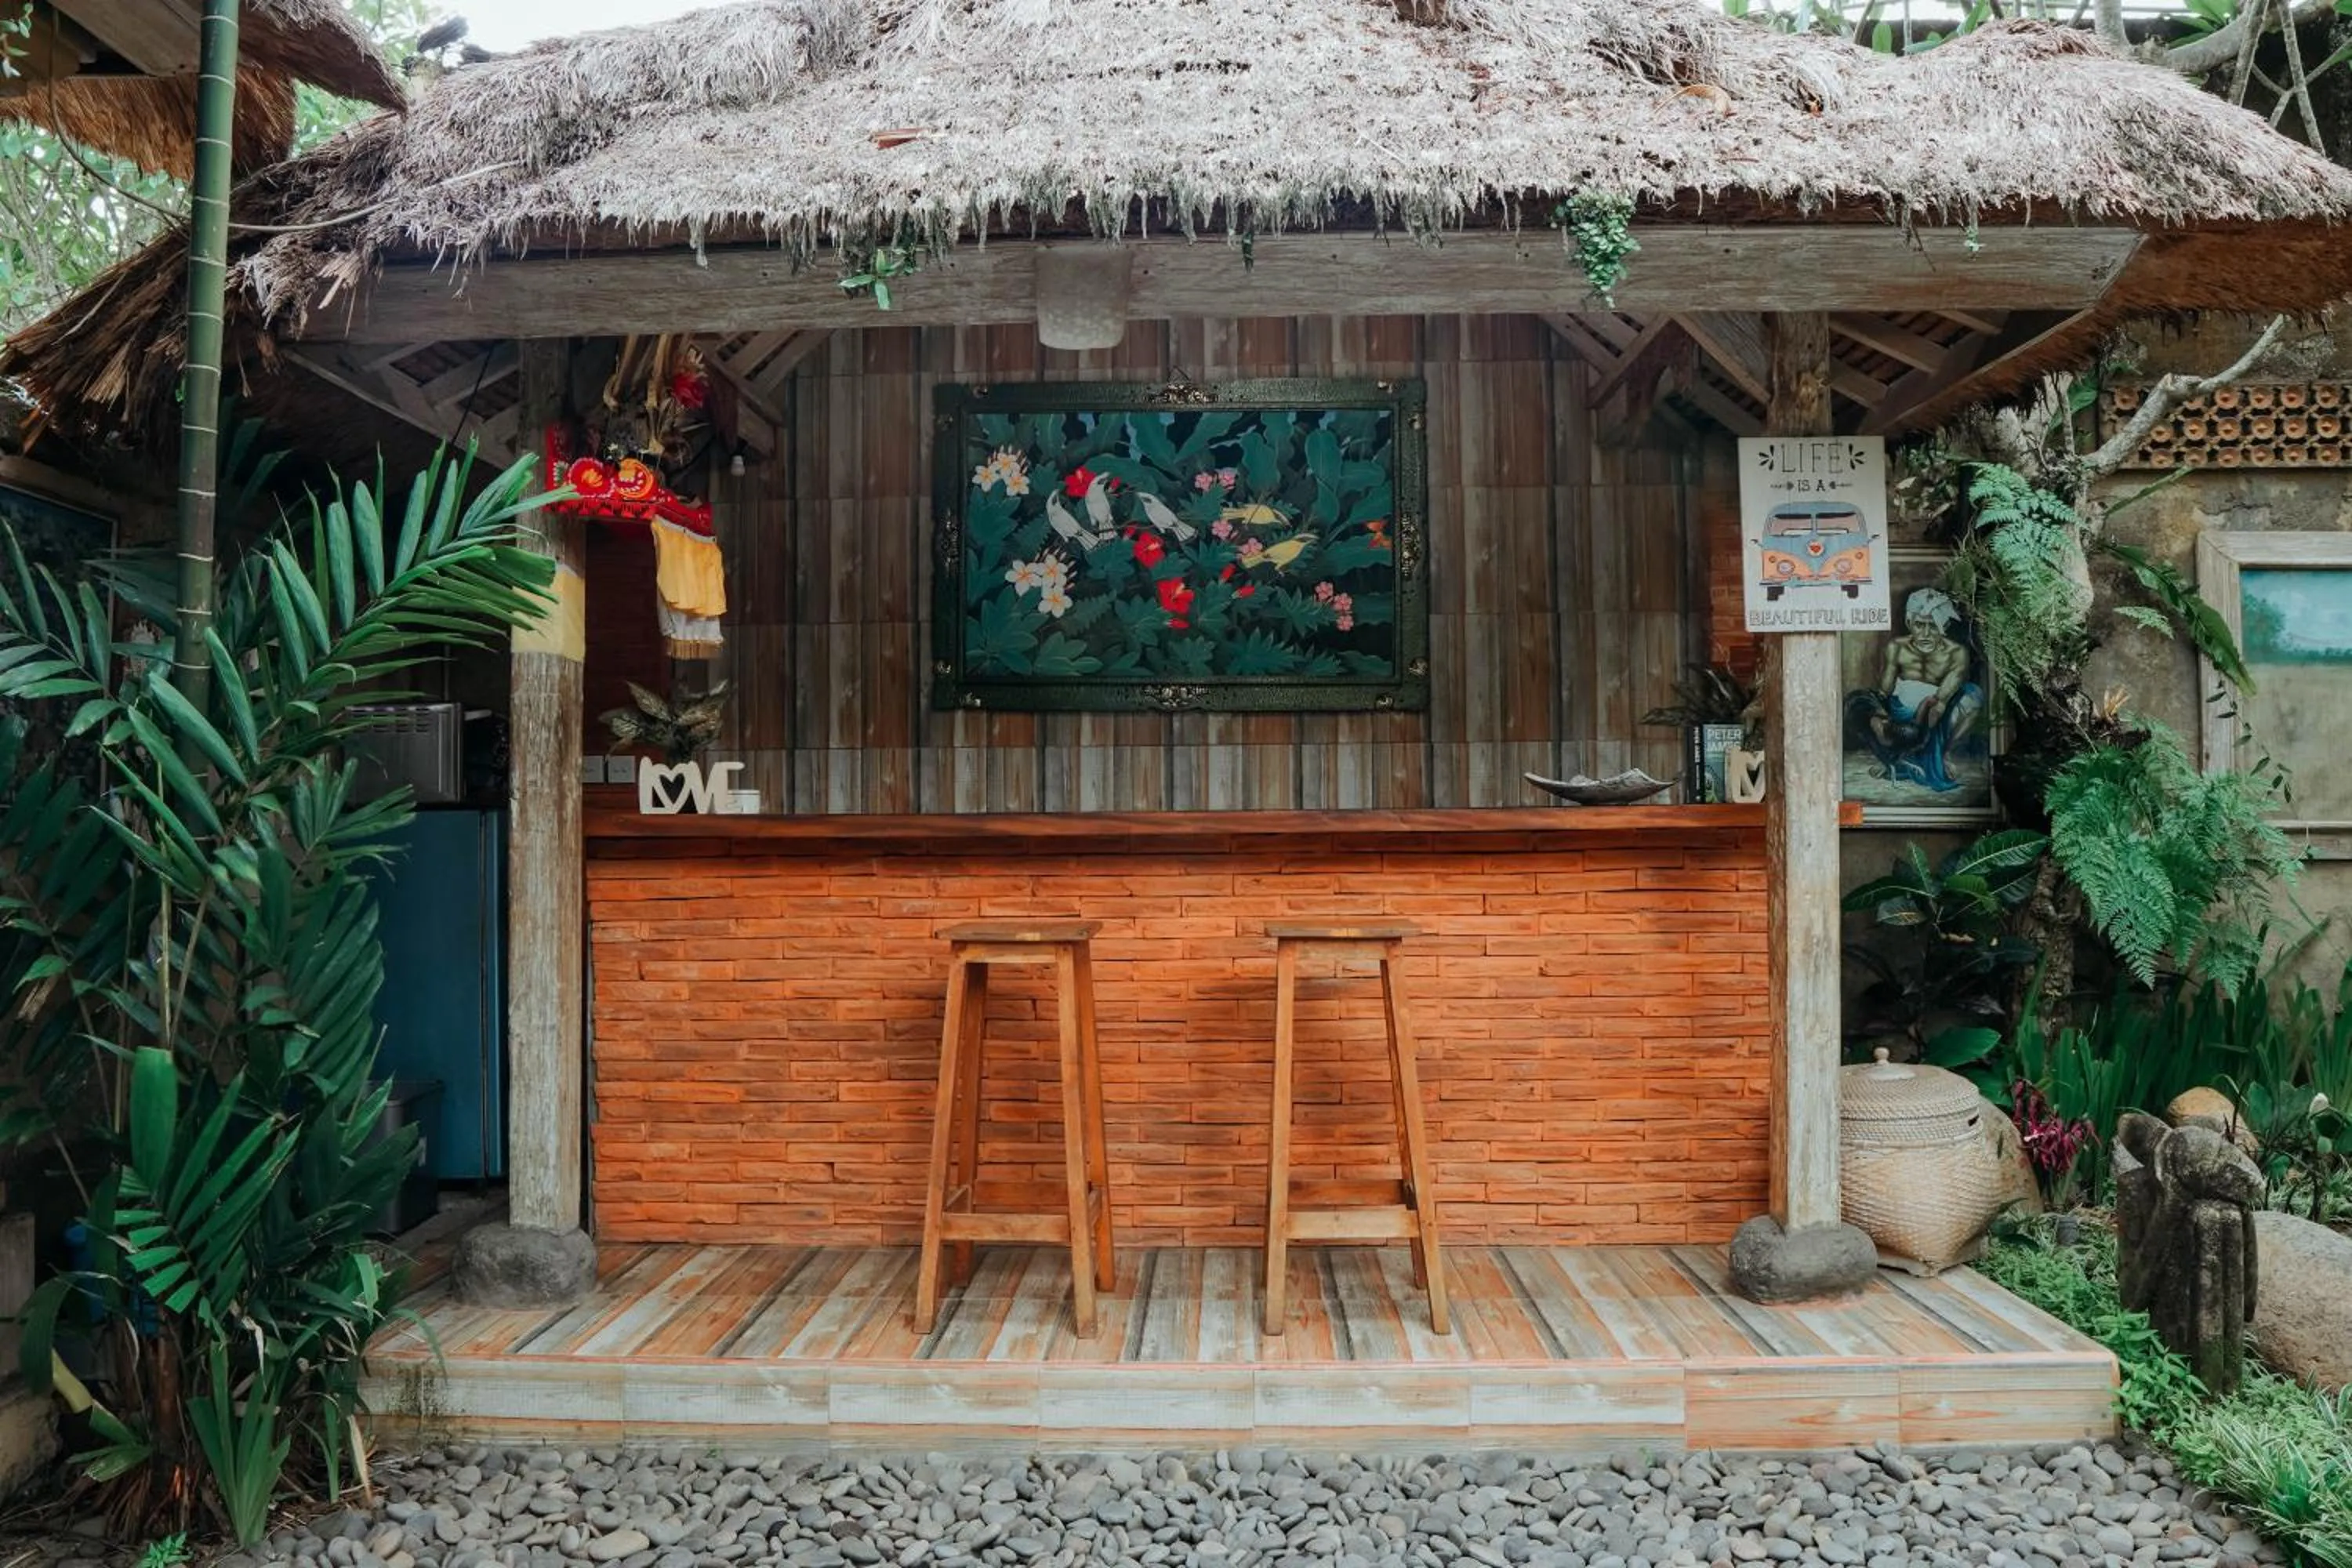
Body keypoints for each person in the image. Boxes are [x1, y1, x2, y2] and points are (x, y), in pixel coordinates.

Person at [1845, 588, 1985, 793]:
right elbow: (1885, 690)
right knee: (1863, 707)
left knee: (1974, 697)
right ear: (1910, 623)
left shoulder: (1956, 653)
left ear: (1944, 625)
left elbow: (1943, 697)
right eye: (1919, 625)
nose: (1925, 634)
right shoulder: (1897, 647)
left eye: (1933, 626)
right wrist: (1877, 712)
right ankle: (1892, 759)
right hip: (1899, 708)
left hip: (1936, 708)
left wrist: (1936, 704)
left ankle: (1944, 754)